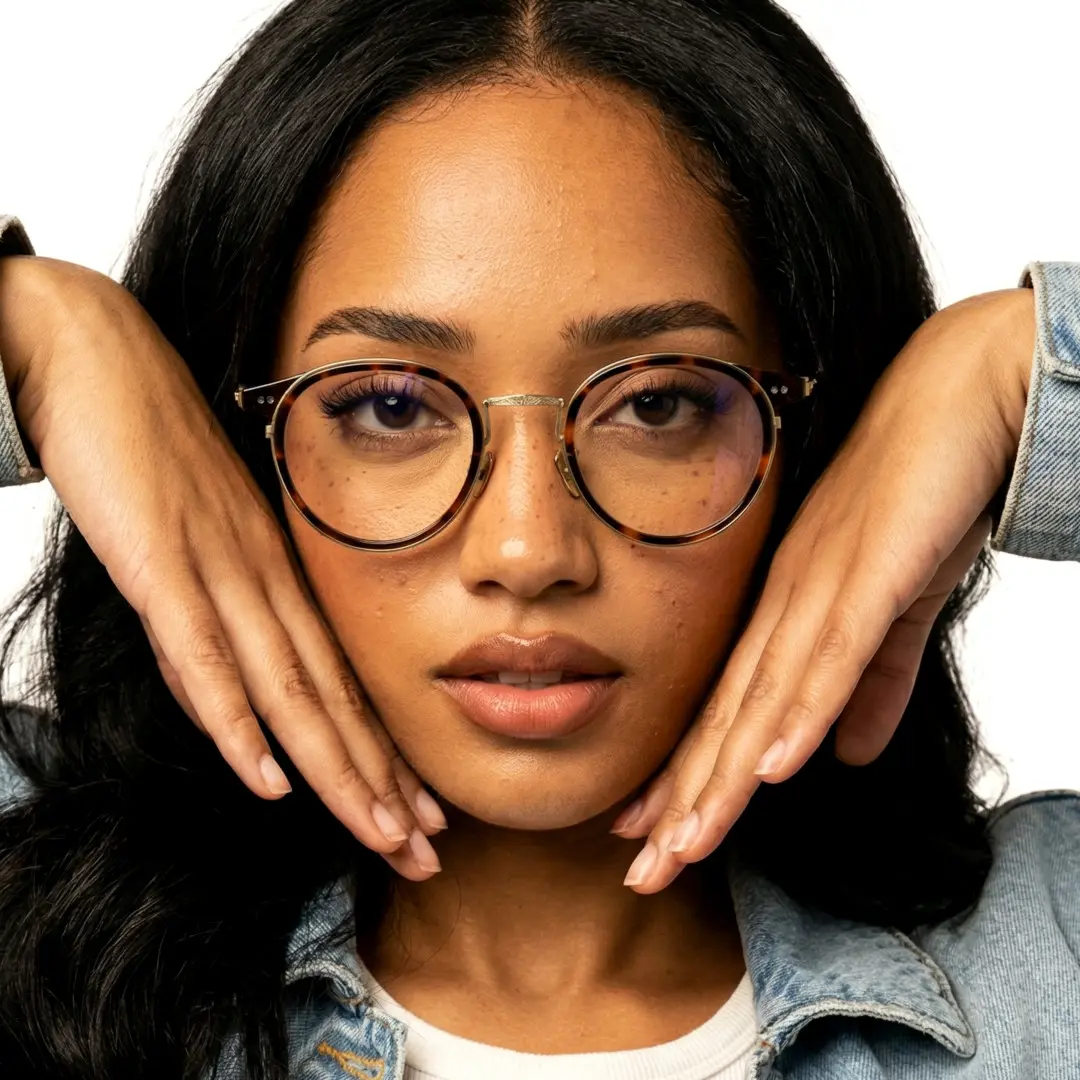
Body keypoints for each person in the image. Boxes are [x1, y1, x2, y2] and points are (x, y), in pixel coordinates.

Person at [0, 1, 1077, 1077]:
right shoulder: (27, 895)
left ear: (824, 445)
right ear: (226, 445)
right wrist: (43, 335)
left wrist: (1017, 374)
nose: (525, 551)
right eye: (385, 405)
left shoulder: (1049, 948)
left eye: (658, 404)